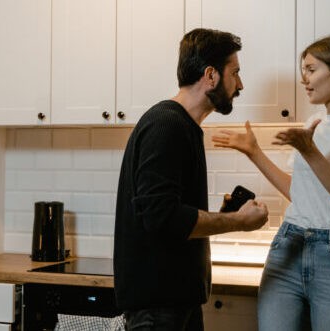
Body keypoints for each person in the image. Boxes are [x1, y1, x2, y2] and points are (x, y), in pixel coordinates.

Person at [212, 35, 330, 330]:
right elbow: (296, 193)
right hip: (288, 244)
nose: (304, 79)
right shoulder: (313, 123)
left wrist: (309, 150)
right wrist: (253, 151)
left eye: (311, 70)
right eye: (303, 72)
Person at [114, 28, 270, 331]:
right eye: (235, 73)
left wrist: (224, 217)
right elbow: (162, 218)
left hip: (174, 303)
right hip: (158, 308)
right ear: (211, 76)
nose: (240, 84)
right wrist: (238, 221)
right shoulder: (167, 125)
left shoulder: (181, 125)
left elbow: (169, 216)